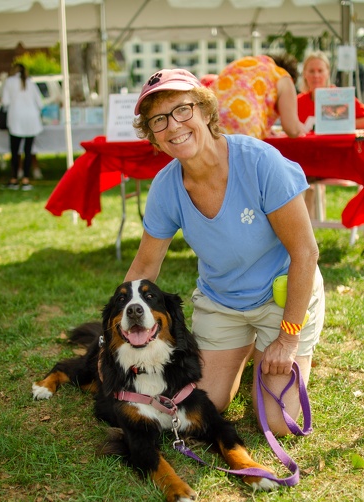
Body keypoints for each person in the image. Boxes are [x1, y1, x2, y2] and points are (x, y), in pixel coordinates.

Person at [125, 68, 325, 437]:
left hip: (282, 299)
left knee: (279, 423)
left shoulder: (260, 162)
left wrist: (288, 337)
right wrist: (118, 333)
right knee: (203, 404)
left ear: (204, 110)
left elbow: (305, 253)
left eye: (182, 110)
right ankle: (245, 348)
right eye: (159, 120)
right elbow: (145, 265)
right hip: (222, 302)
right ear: (152, 135)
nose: (173, 125)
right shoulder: (166, 187)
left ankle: (273, 346)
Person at [297, 51, 364, 218]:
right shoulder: (298, 101)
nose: (316, 75)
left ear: (327, 72)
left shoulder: (341, 98)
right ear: (305, 74)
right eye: (311, 71)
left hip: (339, 160)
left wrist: (343, 123)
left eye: (320, 70)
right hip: (306, 161)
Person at [210, 54, 306, 139]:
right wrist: (302, 129)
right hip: (243, 124)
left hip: (210, 117)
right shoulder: (283, 76)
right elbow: (292, 129)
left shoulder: (246, 62)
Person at [1, 63, 43, 190]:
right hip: (31, 119)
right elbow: (40, 103)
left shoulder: (9, 82)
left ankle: (14, 178)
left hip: (16, 119)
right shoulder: (31, 83)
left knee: (15, 151)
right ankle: (26, 179)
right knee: (28, 151)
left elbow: (5, 102)